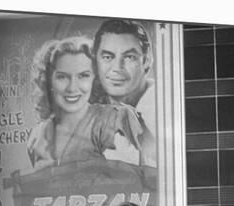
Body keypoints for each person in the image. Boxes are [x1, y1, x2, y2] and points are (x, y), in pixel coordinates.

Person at [27, 36, 148, 170]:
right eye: (62, 77)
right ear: (49, 81)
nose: (72, 88)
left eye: (83, 76)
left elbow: (132, 182)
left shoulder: (114, 120)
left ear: (95, 79)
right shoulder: (37, 136)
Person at [92, 19, 156, 167]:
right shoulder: (90, 111)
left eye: (129, 57)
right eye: (108, 57)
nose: (117, 68)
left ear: (146, 61)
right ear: (96, 62)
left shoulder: (162, 109)